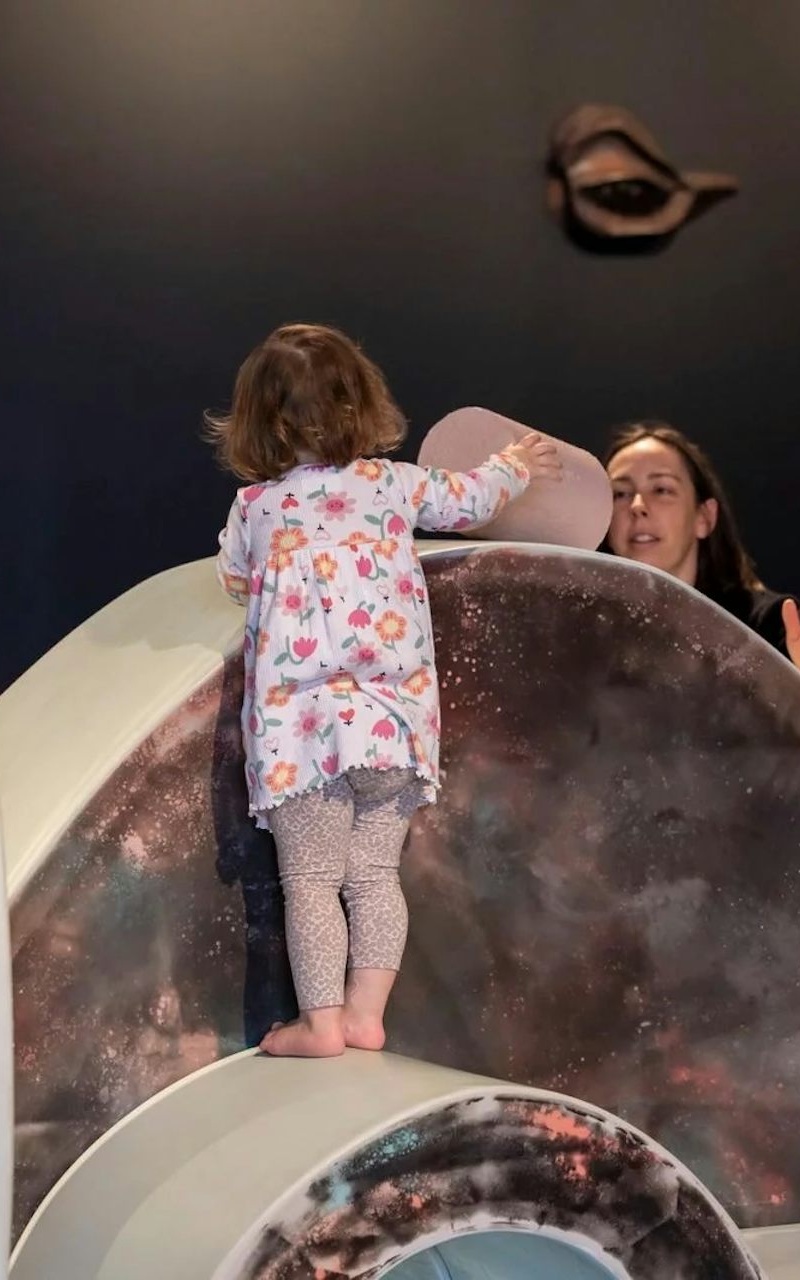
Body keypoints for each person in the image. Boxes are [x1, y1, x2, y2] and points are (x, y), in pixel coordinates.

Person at [210, 323, 560, 1056]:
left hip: (305, 734)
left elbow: (235, 577)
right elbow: (470, 499)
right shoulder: (393, 487)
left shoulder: (258, 509)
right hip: (394, 726)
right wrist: (515, 463)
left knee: (309, 880)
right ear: (360, 405)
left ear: (260, 419)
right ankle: (369, 1015)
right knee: (373, 876)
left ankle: (322, 1024)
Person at [603, 421, 800, 752]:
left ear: (704, 518)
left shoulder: (764, 624)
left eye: (662, 490)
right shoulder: (586, 632)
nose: (637, 505)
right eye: (620, 493)